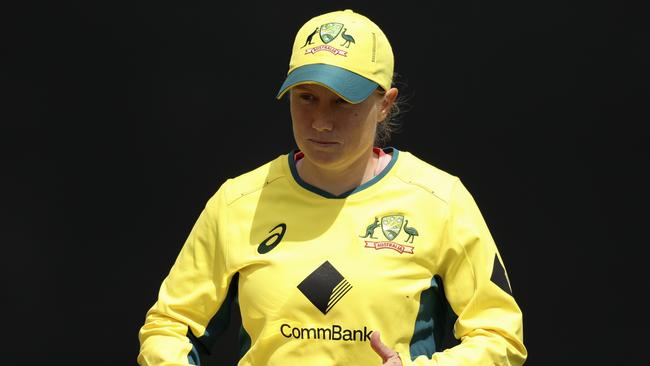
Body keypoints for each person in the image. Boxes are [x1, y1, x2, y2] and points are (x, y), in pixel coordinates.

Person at [137, 9, 527, 365]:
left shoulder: (441, 201)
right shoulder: (237, 202)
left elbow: (499, 336)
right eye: (306, 98)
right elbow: (170, 327)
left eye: (342, 102)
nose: (320, 121)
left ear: (385, 103)